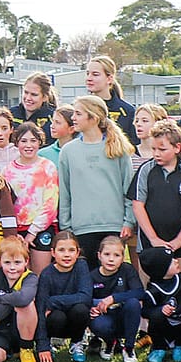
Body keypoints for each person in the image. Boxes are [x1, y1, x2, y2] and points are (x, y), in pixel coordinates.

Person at [58, 95, 136, 272]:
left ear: (93, 118)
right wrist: (66, 226)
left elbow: (129, 188)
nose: (73, 118)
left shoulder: (118, 149)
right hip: (81, 228)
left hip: (114, 226)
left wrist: (128, 221)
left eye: (78, 114)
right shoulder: (68, 151)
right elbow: (65, 191)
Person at [130, 123, 181, 276]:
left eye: (162, 149)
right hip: (150, 246)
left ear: (177, 148)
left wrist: (179, 240)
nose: (156, 154)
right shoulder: (146, 170)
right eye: (154, 149)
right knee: (151, 292)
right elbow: (137, 205)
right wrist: (154, 239)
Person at [3, 124, 62, 273]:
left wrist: (32, 233)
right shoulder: (7, 170)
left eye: (33, 141)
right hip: (16, 231)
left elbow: (51, 204)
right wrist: (12, 232)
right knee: (18, 276)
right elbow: (4, 204)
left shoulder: (48, 167)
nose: (28, 145)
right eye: (23, 141)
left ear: (39, 142)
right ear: (16, 143)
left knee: (40, 275)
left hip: (41, 229)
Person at [81, 236, 144, 362]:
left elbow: (140, 292)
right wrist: (93, 306)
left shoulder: (127, 270)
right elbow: (85, 298)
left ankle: (129, 347)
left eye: (116, 255)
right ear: (99, 256)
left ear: (122, 257)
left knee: (133, 303)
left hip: (124, 317)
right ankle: (110, 343)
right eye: (107, 254)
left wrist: (113, 298)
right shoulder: (92, 276)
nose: (111, 259)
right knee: (97, 323)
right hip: (105, 318)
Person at [0, 235, 41, 362]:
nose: (12, 267)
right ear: (0, 261)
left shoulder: (30, 277)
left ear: (26, 261)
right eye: (7, 262)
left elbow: (24, 299)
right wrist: (15, 297)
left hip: (21, 330)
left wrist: (4, 297)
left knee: (26, 305)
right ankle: (8, 351)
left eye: (17, 262)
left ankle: (26, 348)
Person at [34, 232, 90, 362]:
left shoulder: (81, 266)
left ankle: (77, 342)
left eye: (71, 250)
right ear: (53, 252)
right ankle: (51, 343)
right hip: (56, 323)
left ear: (77, 253)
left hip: (75, 319)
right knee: (57, 316)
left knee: (81, 309)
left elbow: (86, 297)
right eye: (61, 250)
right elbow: (40, 309)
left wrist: (53, 301)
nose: (66, 255)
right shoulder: (47, 274)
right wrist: (43, 346)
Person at [137, 247, 181, 362]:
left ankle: (180, 345)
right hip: (165, 327)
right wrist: (160, 310)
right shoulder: (152, 290)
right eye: (171, 261)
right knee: (156, 319)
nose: (176, 261)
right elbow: (145, 312)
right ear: (161, 269)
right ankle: (159, 347)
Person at [82, 56, 138, 145]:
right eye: (88, 73)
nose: (89, 78)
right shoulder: (80, 109)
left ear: (109, 78)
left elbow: (134, 145)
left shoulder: (127, 111)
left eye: (95, 74)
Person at [10, 72, 57, 144]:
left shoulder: (54, 117)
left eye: (34, 95)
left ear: (44, 97)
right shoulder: (10, 114)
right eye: (26, 92)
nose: (28, 98)